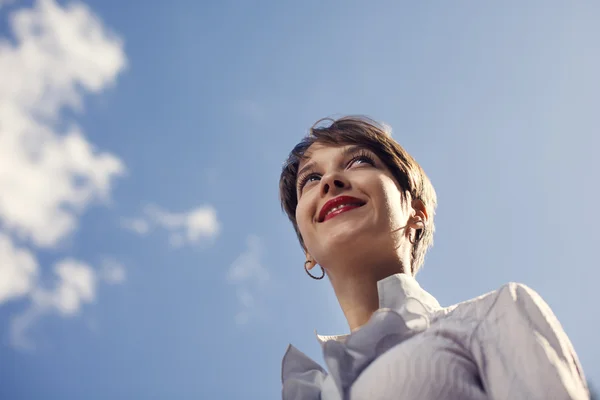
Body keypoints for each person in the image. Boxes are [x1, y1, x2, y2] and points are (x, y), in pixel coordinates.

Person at [278, 116, 589, 400]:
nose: (330, 181)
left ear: (417, 213)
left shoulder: (491, 316)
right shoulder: (315, 391)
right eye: (311, 179)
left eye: (359, 161)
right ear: (307, 249)